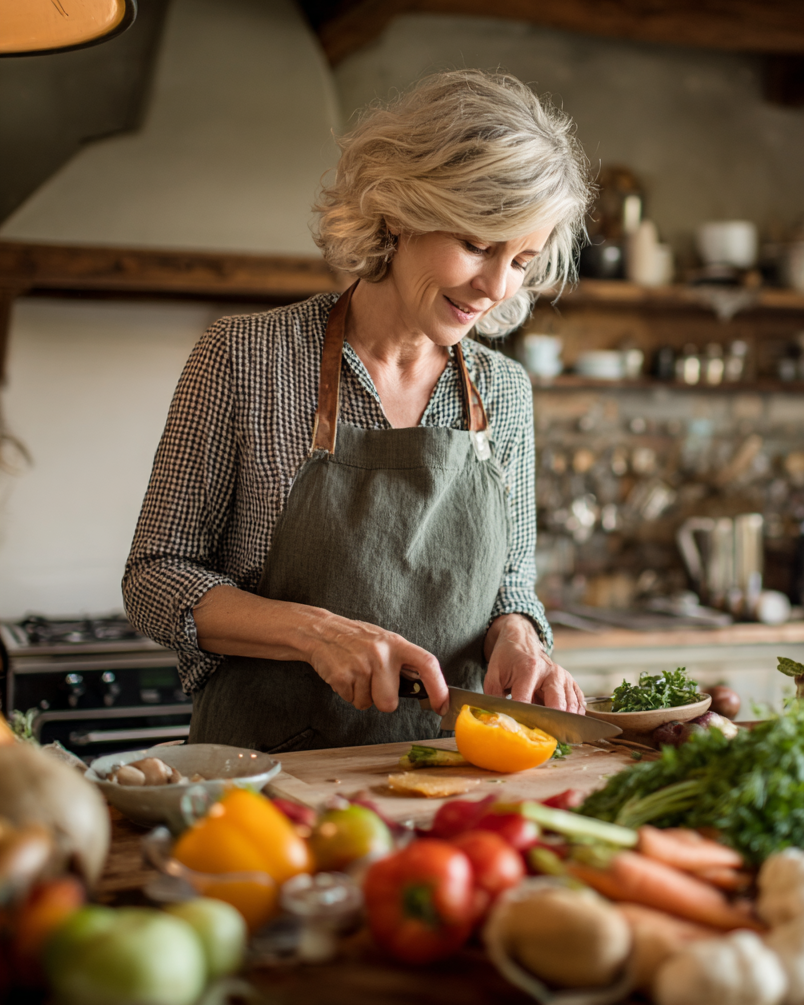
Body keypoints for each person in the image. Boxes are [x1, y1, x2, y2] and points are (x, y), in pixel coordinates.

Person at [123, 70, 594, 753]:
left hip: (446, 771)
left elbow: (511, 581)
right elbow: (155, 576)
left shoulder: (505, 392)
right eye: (477, 243)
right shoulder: (244, 356)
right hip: (265, 775)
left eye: (520, 259)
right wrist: (315, 633)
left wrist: (518, 633)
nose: (496, 287)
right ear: (401, 210)